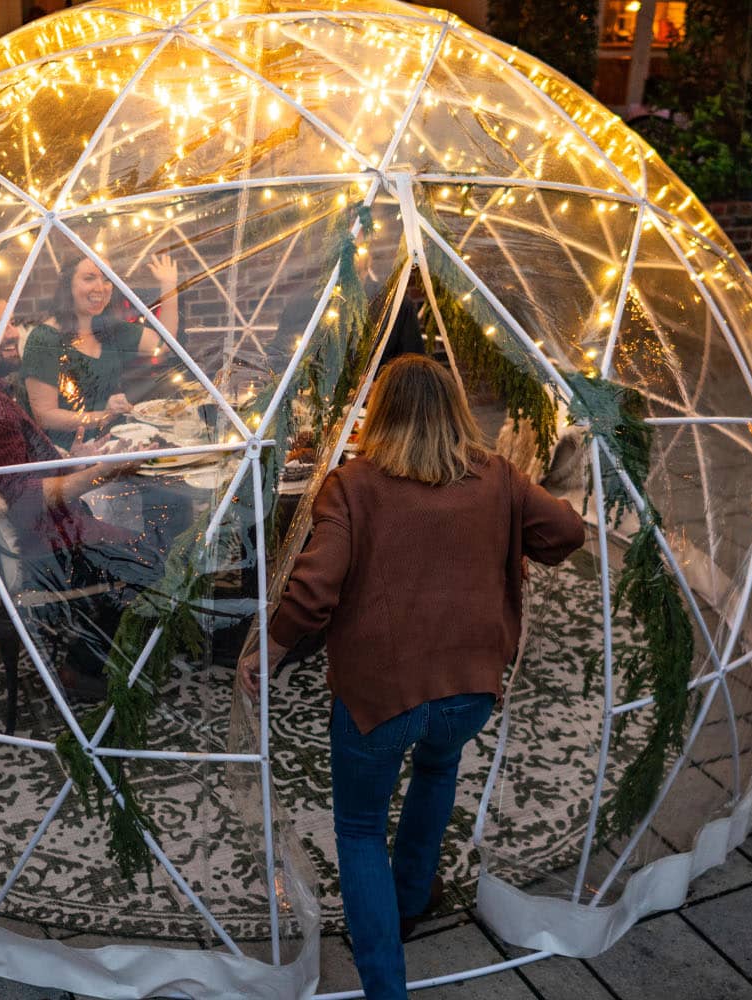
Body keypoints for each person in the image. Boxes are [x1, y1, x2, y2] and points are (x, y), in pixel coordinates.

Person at [238, 355, 585, 999]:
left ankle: (386, 985)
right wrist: (511, 533)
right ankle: (408, 899)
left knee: (362, 828)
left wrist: (270, 650)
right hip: (470, 690)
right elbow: (567, 531)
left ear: (380, 418)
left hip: (379, 701)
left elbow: (315, 591)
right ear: (454, 411)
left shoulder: (353, 485)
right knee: (436, 768)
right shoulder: (498, 476)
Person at [0, 282, 156, 699]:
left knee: (128, 531)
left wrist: (72, 456)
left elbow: (7, 468)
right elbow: (25, 498)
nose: (12, 333)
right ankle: (84, 667)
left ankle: (94, 622)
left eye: (11, 321)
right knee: (150, 553)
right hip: (26, 549)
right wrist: (102, 471)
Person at [21, 252, 179, 447]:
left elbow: (162, 344)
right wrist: (103, 416)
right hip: (68, 454)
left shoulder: (110, 330)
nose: (100, 287)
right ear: (68, 286)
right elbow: (45, 416)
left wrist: (169, 286)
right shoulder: (44, 339)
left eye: (107, 279)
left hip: (115, 442)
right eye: (89, 278)